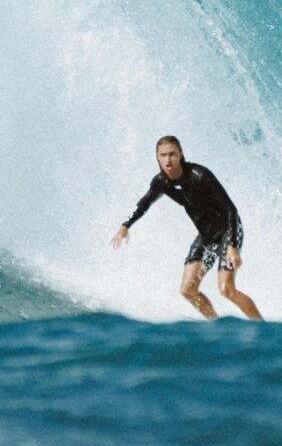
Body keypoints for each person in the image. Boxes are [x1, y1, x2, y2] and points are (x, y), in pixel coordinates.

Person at [111, 134, 263, 321]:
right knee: (187, 290)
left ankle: (262, 326)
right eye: (163, 155)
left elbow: (230, 209)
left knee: (226, 289)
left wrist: (232, 246)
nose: (168, 159)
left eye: (172, 154)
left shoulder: (199, 175)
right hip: (206, 236)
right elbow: (145, 203)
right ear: (157, 157)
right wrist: (126, 225)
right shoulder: (161, 182)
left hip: (228, 231)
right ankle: (217, 324)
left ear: (181, 154)